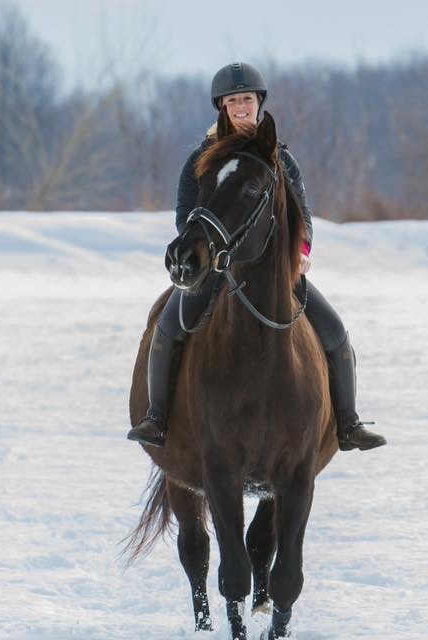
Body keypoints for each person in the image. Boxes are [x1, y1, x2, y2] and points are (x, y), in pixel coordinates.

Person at [127, 62, 386, 452]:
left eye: (246, 99)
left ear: (258, 102)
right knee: (167, 327)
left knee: (334, 331)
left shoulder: (282, 160)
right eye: (232, 101)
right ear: (222, 108)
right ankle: (158, 418)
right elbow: (186, 213)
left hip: (272, 270)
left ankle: (347, 423)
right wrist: (203, 250)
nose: (241, 106)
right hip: (216, 267)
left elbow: (302, 216)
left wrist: (301, 252)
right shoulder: (202, 157)